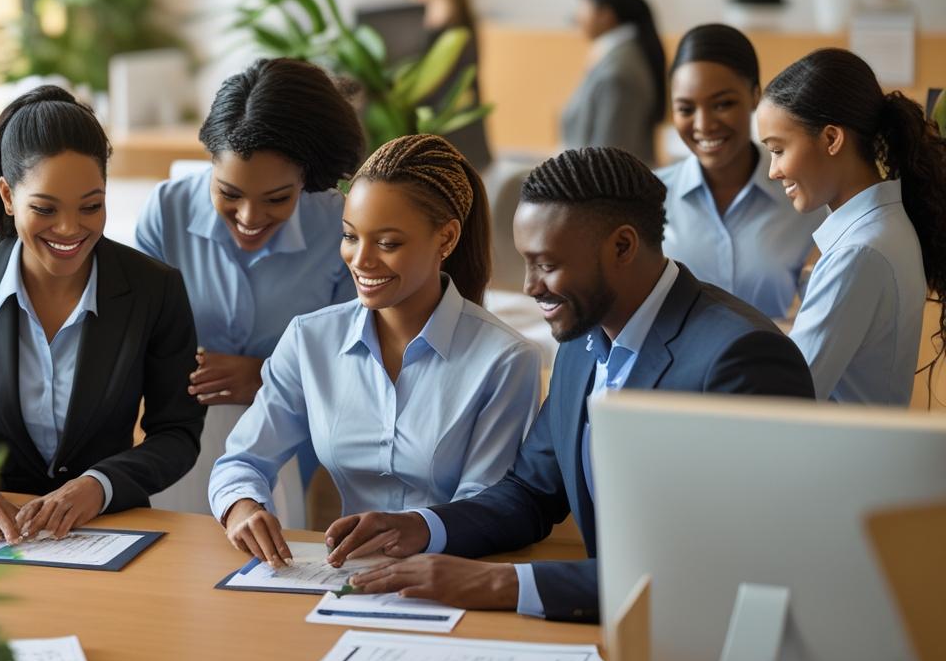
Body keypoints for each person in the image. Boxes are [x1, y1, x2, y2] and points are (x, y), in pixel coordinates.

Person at [324, 147, 814, 621]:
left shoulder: (742, 357)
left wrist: (504, 583)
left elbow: (730, 566)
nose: (530, 286)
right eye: (525, 261)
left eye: (547, 264)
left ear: (622, 246)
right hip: (614, 629)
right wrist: (420, 527)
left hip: (704, 641)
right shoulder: (582, 341)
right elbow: (532, 492)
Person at [211, 134, 541, 567]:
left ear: (445, 238)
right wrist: (243, 508)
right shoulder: (310, 340)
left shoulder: (505, 359)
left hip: (450, 575)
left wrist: (418, 532)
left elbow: (483, 507)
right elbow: (241, 460)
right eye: (350, 236)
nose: (360, 260)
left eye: (387, 243)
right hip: (343, 577)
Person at [0, 86, 204, 542]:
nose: (70, 229)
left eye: (91, 206)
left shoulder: (155, 288)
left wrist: (99, 485)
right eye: (45, 209)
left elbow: (177, 434)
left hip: (106, 529)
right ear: (8, 197)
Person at [134, 58, 363, 515]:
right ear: (210, 163)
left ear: (306, 178)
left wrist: (264, 375)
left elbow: (356, 366)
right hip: (181, 442)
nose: (250, 218)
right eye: (229, 194)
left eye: (277, 199)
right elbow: (133, 340)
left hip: (297, 452)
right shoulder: (167, 211)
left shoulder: (342, 225)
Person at [758, 48, 946, 405]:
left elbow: (790, 394)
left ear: (831, 139)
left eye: (779, 150)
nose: (773, 170)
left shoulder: (858, 253)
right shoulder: (882, 228)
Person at [658, 24, 825, 319]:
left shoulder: (806, 196)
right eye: (686, 109)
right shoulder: (651, 198)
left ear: (755, 96)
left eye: (723, 104)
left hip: (775, 363)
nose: (704, 124)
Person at [400, 0, 492, 171]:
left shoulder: (452, 30)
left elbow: (428, 89)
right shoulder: (441, 19)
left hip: (456, 146)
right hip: (455, 142)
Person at [560, 0, 666, 165]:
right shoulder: (615, 58)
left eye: (583, 5)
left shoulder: (618, 72)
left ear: (606, 15)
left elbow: (607, 163)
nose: (577, 15)